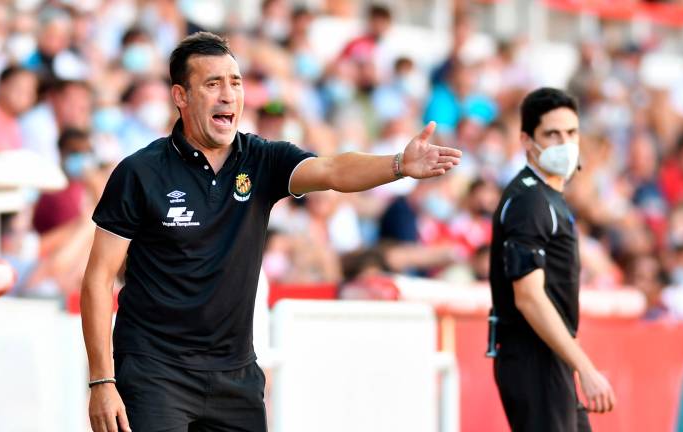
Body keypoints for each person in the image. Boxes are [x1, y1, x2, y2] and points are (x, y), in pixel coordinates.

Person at [81, 31, 461, 432]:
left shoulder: (262, 159)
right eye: (213, 84)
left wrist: (398, 163)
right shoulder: (140, 172)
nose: (228, 95)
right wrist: (102, 381)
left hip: (235, 375)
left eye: (236, 82)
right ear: (181, 96)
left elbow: (332, 170)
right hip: (155, 371)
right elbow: (97, 279)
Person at [488, 87, 616, 431]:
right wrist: (585, 368)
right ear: (528, 141)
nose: (564, 142)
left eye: (571, 132)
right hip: (533, 357)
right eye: (552, 133)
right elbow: (529, 297)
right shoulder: (531, 202)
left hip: (550, 358)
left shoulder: (549, 196)